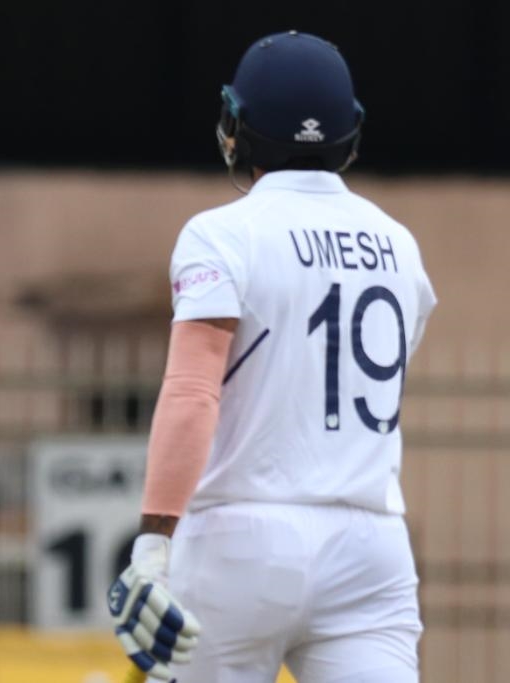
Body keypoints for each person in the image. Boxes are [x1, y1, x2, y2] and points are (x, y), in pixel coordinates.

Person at [108, 31, 436, 682]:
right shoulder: (400, 246)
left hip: (240, 538)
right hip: (371, 543)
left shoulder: (222, 234)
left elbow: (193, 392)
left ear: (237, 127)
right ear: (352, 133)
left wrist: (152, 541)